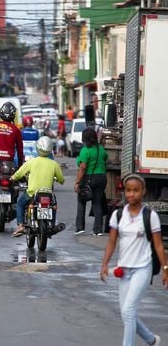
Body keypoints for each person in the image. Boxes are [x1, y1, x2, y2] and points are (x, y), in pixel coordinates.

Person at [100, 174, 167, 346]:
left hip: (142, 269)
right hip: (124, 271)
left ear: (143, 192)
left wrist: (166, 269)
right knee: (126, 313)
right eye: (128, 190)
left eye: (136, 190)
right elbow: (112, 241)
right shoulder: (118, 215)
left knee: (129, 310)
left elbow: (159, 246)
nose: (131, 194)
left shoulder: (150, 216)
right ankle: (151, 340)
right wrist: (105, 264)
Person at [10, 137, 65, 237]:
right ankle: (52, 225)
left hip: (32, 193)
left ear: (37, 148)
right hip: (48, 194)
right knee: (53, 206)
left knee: (20, 204)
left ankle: (21, 226)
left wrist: (12, 178)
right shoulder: (54, 164)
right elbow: (61, 180)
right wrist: (56, 178)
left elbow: (18, 174)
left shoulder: (31, 162)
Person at [74, 127, 108, 236]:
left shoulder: (85, 150)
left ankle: (80, 228)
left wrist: (77, 182)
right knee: (97, 203)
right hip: (102, 178)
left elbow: (83, 167)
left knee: (81, 201)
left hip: (89, 178)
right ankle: (98, 230)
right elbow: (105, 158)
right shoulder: (101, 149)